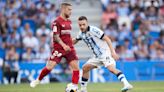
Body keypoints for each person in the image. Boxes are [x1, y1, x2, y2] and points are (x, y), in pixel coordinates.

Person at [73, 16, 133, 92]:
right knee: (85, 68)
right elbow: (75, 40)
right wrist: (65, 44)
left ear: (87, 23)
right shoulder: (81, 34)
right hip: (97, 57)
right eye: (80, 25)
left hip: (105, 53)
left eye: (83, 24)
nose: (82, 26)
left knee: (111, 69)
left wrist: (113, 52)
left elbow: (107, 39)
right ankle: (83, 90)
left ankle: (126, 84)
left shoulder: (93, 30)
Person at [30, 3, 79, 90]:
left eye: (71, 10)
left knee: (76, 67)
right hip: (59, 49)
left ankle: (74, 87)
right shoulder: (56, 22)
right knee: (50, 67)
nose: (71, 12)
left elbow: (67, 38)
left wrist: (77, 39)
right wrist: (63, 45)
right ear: (63, 9)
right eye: (69, 10)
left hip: (69, 48)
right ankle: (38, 80)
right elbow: (56, 37)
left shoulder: (69, 22)